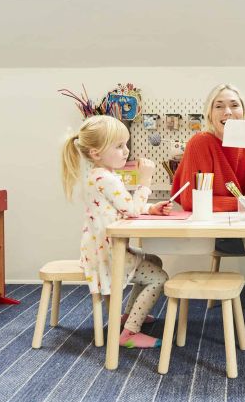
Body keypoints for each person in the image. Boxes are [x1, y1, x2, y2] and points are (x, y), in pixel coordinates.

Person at [62, 116, 172, 348]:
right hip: (109, 253)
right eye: (119, 146)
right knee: (159, 278)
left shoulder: (99, 175)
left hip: (100, 248)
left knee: (153, 259)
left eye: (126, 144)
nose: (126, 151)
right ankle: (129, 333)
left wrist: (151, 208)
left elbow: (121, 208)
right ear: (95, 153)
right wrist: (146, 180)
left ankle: (129, 316)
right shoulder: (105, 178)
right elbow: (131, 210)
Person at [171, 84, 245, 253]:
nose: (228, 111)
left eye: (234, 105)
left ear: (244, 112)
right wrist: (242, 202)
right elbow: (191, 200)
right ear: (209, 114)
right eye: (219, 106)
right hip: (218, 233)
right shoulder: (200, 143)